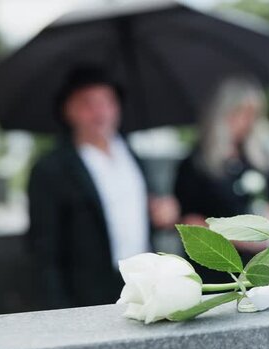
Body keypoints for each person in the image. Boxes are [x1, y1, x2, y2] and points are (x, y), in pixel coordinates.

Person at [27, 66, 179, 309]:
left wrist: (162, 212)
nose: (100, 112)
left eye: (107, 102)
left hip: (144, 283)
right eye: (88, 103)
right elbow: (44, 250)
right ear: (68, 110)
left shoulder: (131, 154)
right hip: (87, 293)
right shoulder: (51, 169)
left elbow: (144, 212)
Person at [174, 77, 269, 281]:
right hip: (219, 267)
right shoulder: (196, 163)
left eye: (252, 115)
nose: (247, 122)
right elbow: (189, 221)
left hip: (260, 264)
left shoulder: (259, 158)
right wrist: (241, 238)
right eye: (242, 114)